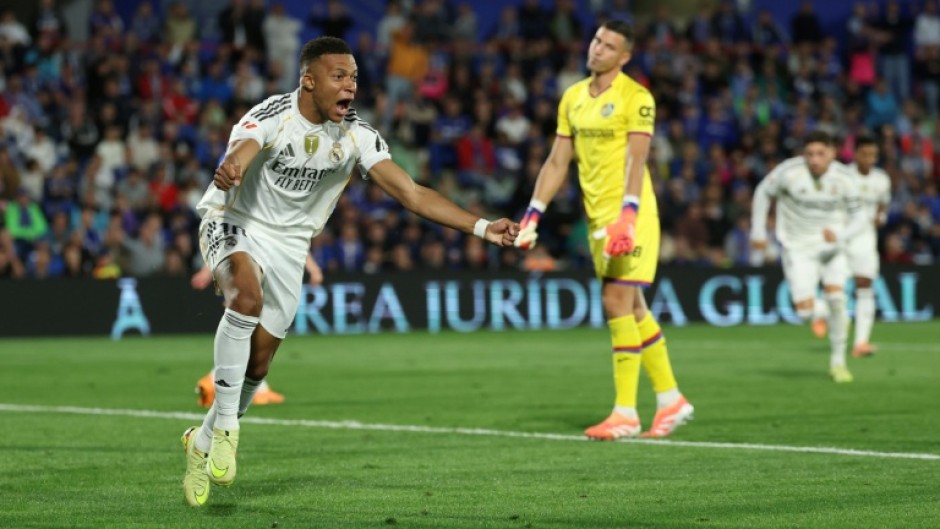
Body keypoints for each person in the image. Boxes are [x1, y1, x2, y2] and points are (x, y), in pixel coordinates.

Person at [180, 36, 519, 507]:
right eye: (339, 77)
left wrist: (482, 227)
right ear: (309, 80)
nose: (350, 87)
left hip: (291, 245)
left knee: (259, 365)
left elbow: (413, 193)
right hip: (233, 221)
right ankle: (228, 431)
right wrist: (231, 168)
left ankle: (200, 442)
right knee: (246, 299)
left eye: (354, 77)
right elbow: (242, 148)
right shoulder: (273, 114)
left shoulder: (357, 137)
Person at [514, 21, 693, 441]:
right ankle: (670, 399)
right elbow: (558, 162)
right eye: (596, 40)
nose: (598, 49)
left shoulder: (637, 97)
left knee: (615, 301)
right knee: (633, 309)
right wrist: (533, 215)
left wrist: (628, 214)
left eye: (609, 46)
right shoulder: (573, 97)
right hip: (596, 217)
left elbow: (637, 159)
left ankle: (625, 412)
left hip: (630, 214)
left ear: (624, 56)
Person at [750, 131, 867, 383]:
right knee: (804, 313)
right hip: (798, 247)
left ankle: (838, 362)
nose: (814, 159)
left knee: (836, 297)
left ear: (832, 153)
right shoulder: (788, 172)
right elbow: (762, 193)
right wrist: (758, 230)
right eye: (810, 154)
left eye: (820, 154)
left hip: (832, 247)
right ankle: (826, 313)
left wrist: (840, 234)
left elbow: (860, 217)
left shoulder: (845, 178)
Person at [188, 257, 324, 408]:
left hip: (261, 269)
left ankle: (220, 381)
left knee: (250, 331)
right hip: (248, 268)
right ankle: (219, 382)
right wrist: (207, 270)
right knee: (246, 327)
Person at [809, 136, 891, 356]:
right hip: (843, 237)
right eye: (864, 154)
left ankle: (860, 343)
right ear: (855, 154)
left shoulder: (882, 179)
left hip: (866, 239)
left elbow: (883, 203)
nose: (869, 159)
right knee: (835, 285)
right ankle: (822, 314)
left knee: (865, 285)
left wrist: (881, 216)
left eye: (872, 154)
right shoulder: (843, 176)